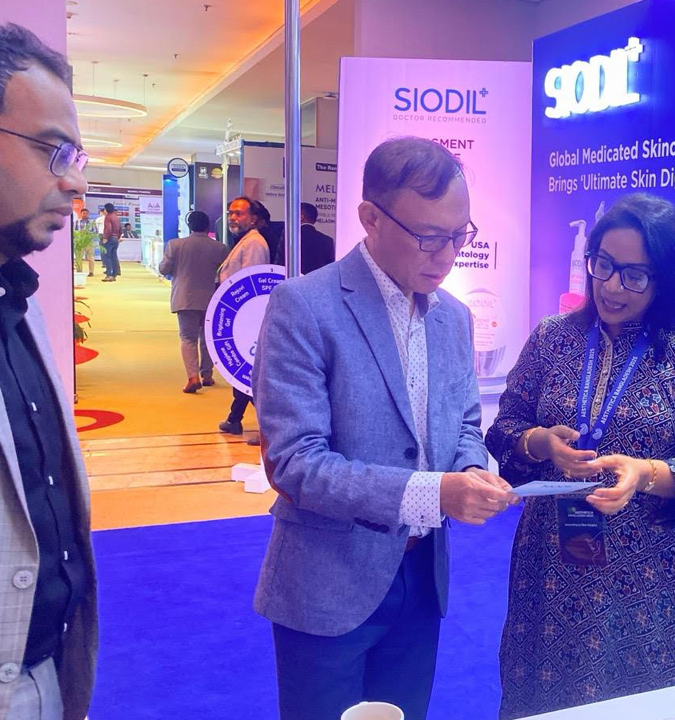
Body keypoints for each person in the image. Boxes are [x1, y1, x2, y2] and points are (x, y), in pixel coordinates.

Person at [251, 136, 518, 720]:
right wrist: (436, 493)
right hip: (327, 581)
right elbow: (295, 463)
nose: (447, 255)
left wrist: (472, 468)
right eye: (429, 236)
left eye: (461, 235)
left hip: (422, 579)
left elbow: (464, 423)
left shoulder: (454, 317)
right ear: (370, 218)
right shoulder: (304, 306)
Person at [486, 193, 675, 718]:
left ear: (666, 280)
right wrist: (540, 443)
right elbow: (504, 428)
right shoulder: (553, 338)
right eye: (602, 264)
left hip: (647, 581)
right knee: (543, 701)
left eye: (634, 275)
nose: (611, 286)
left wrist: (644, 474)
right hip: (549, 570)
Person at [0, 22, 98, 720]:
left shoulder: (18, 301)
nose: (74, 181)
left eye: (76, 156)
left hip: (52, 671)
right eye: (52, 151)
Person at [216, 196, 271, 438]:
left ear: (253, 219)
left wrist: (240, 317)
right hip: (239, 317)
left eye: (239, 214)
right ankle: (234, 419)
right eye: (231, 213)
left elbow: (250, 284)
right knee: (243, 373)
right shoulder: (244, 242)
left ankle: (272, 428)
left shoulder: (254, 244)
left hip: (246, 319)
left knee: (249, 375)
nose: (233, 218)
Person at [157, 210, 226, 393]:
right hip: (211, 298)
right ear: (208, 226)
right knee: (207, 337)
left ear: (189, 226)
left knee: (188, 338)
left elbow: (163, 269)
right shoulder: (220, 248)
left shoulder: (175, 245)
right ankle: (207, 374)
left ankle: (192, 377)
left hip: (185, 298)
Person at [299, 201, 335, 273]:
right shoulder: (328, 241)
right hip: (319, 279)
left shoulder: (289, 238)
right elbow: (330, 268)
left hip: (294, 279)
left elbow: (280, 265)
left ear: (301, 217)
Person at [98, 202, 120, 282]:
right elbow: (120, 228)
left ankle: (108, 275)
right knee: (114, 256)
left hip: (109, 238)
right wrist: (118, 237)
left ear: (106, 209)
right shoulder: (116, 217)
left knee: (106, 256)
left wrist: (105, 237)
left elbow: (108, 228)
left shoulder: (108, 217)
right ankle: (114, 275)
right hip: (115, 238)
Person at [75, 207, 94, 277]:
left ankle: (91, 272)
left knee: (91, 258)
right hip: (79, 242)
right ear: (81, 214)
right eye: (83, 213)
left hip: (89, 242)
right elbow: (74, 231)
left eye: (86, 213)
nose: (85, 214)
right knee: (78, 257)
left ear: (88, 214)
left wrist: (89, 234)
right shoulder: (77, 222)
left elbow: (95, 231)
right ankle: (79, 271)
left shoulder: (92, 222)